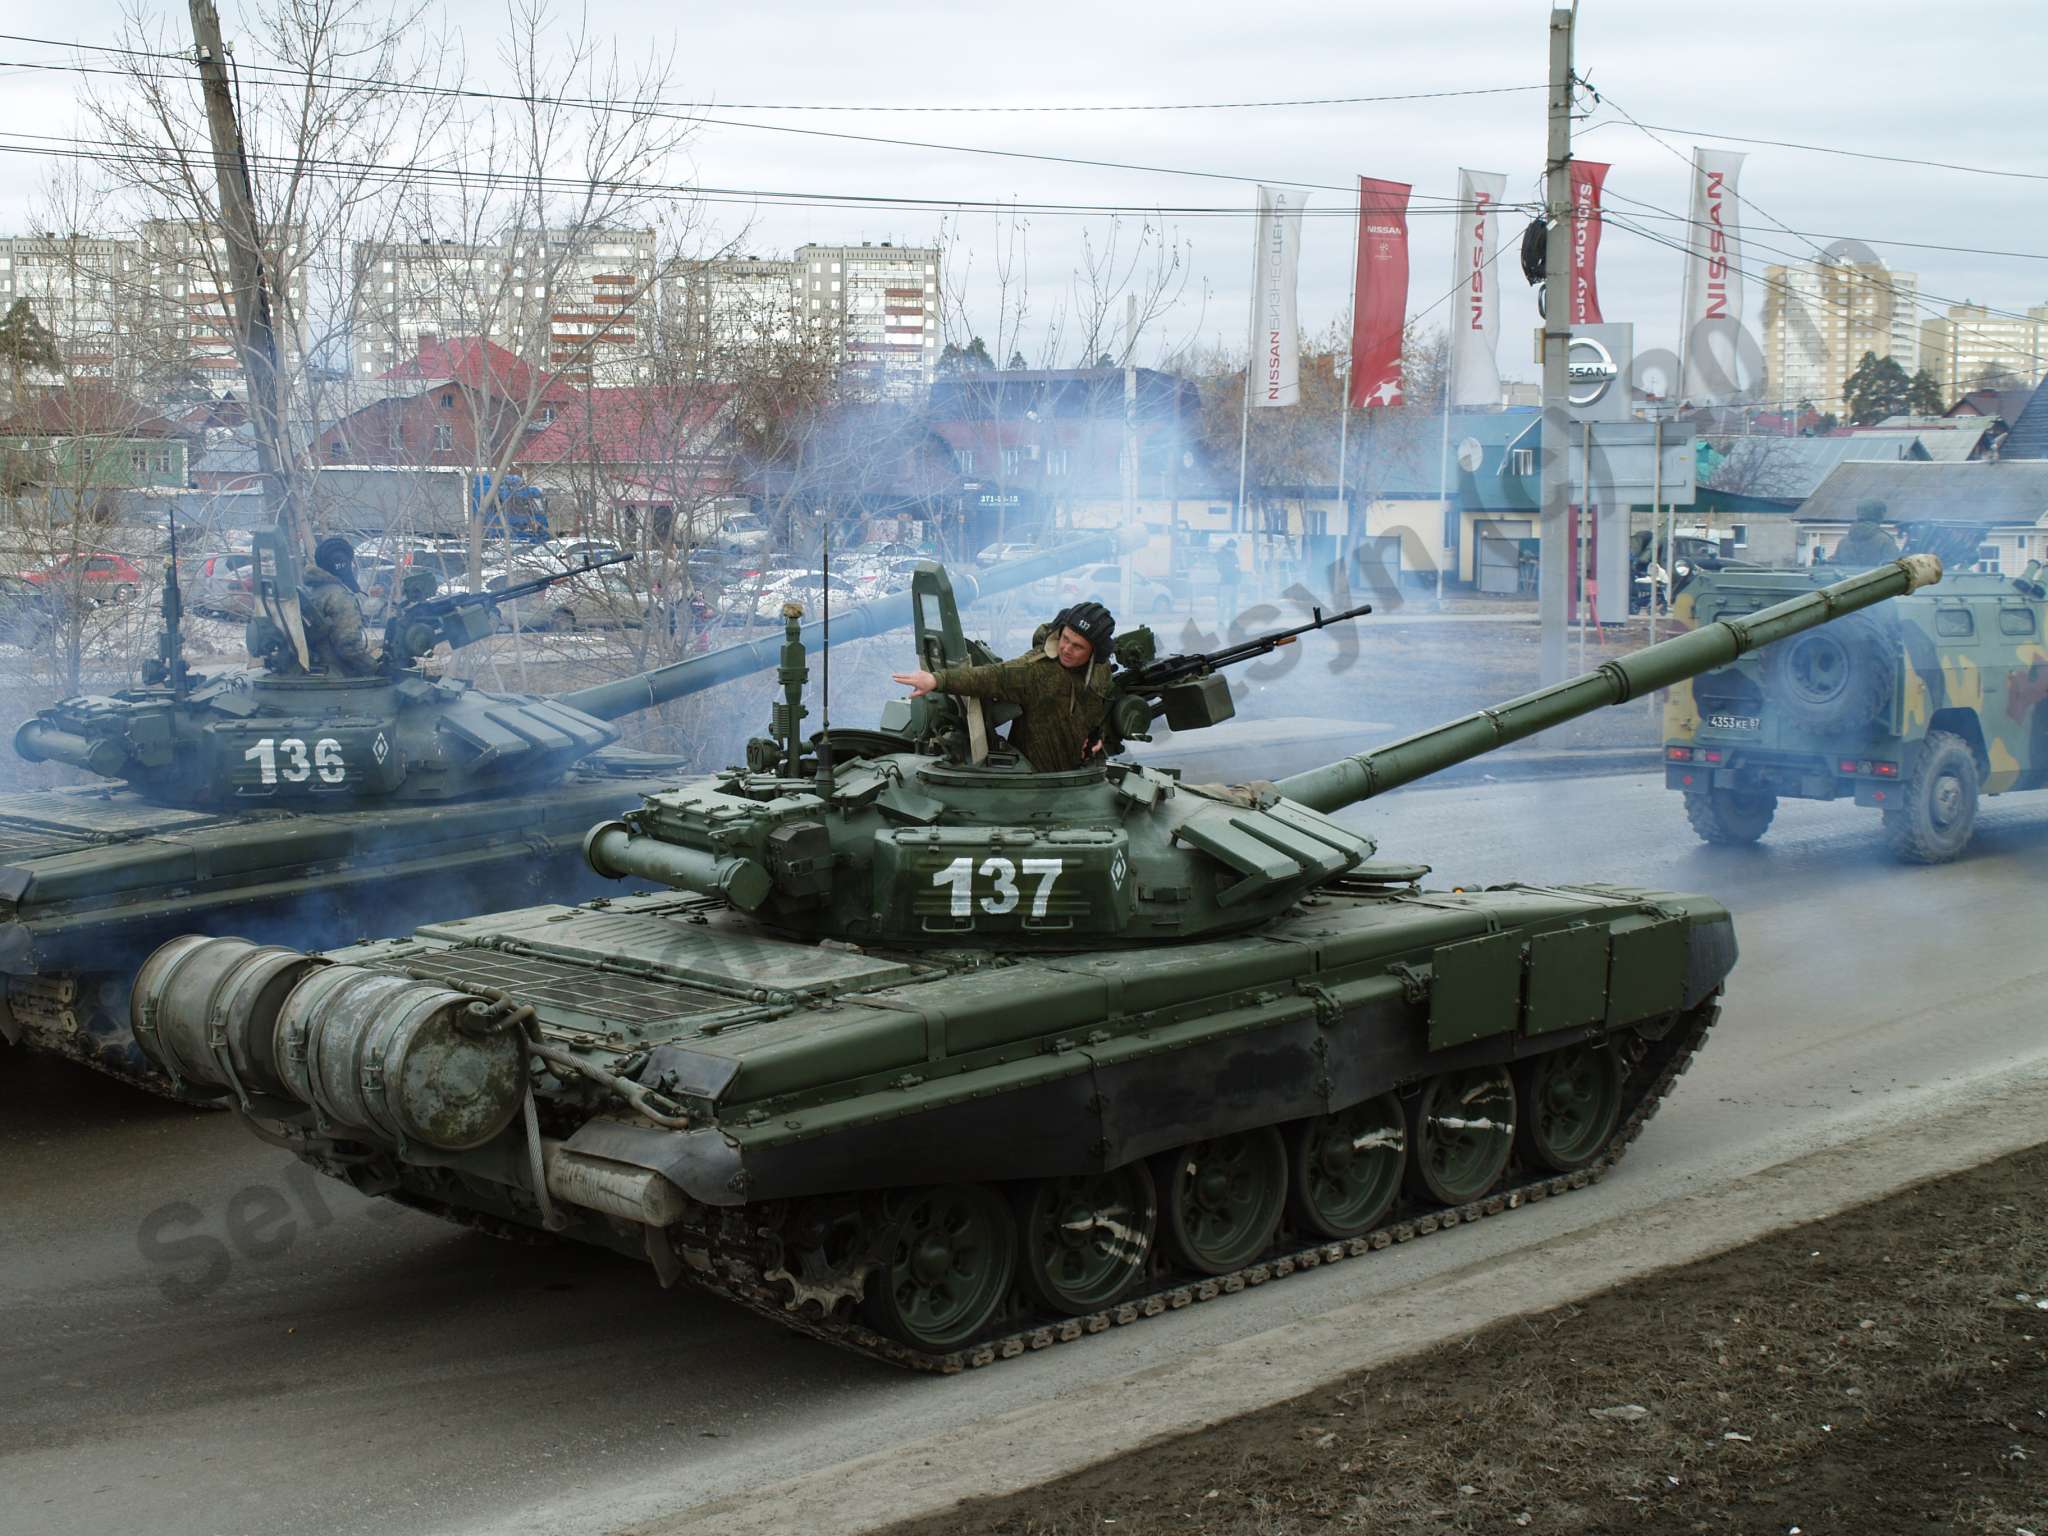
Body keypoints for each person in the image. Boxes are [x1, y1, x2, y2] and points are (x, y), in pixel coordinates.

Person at [891, 601, 1115, 771]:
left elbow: (1102, 707)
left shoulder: (1101, 672)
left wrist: (1100, 736)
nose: (1066, 649)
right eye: (1065, 638)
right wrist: (937, 680)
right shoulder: (1036, 670)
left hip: (1083, 776)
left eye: (1077, 646)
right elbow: (991, 677)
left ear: (1095, 653)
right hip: (1038, 778)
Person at [301, 535, 378, 676]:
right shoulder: (340, 596)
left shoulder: (315, 591)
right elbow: (348, 645)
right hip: (339, 672)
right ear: (344, 565)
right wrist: (374, 667)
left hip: (318, 668)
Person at [1832, 499, 1901, 567]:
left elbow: (1834, 565)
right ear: (1880, 515)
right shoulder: (1885, 541)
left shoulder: (1843, 542)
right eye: (1883, 513)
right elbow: (1895, 570)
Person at [1213, 539, 1243, 630]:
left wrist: (1238, 575)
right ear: (1228, 546)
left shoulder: (1233, 554)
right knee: (1224, 604)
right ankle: (1221, 622)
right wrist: (1234, 569)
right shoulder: (1220, 554)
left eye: (1234, 548)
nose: (1233, 549)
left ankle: (1232, 622)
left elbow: (1237, 566)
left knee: (1233, 604)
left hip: (1234, 582)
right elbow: (1222, 569)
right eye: (1232, 547)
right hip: (1225, 583)